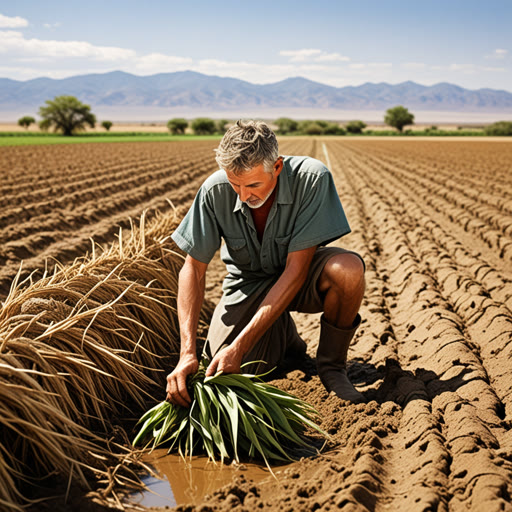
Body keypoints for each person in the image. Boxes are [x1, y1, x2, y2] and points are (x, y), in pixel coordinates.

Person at [166, 120, 366, 406]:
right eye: (235, 184)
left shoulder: (311, 179)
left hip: (299, 277)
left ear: (277, 167)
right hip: (248, 284)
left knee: (347, 270)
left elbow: (295, 272)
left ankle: (332, 368)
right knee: (226, 372)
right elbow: (194, 269)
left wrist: (241, 345)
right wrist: (187, 352)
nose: (244, 196)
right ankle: (287, 341)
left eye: (253, 185)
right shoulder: (214, 191)